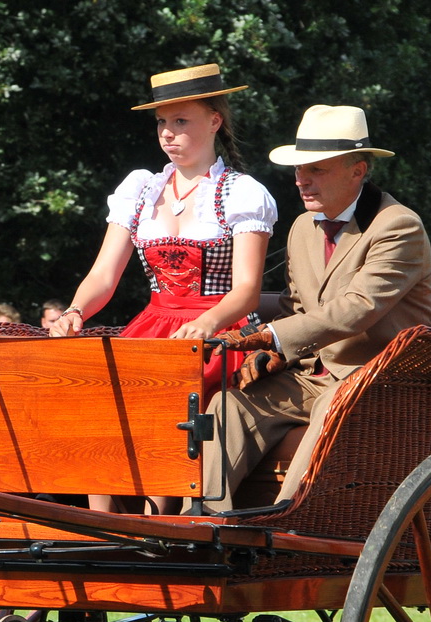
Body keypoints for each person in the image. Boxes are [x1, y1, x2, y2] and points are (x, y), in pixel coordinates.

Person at [206, 104, 431, 510]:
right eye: (298, 169)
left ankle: (289, 521)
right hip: (313, 376)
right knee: (228, 404)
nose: (301, 180)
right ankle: (206, 522)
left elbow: (358, 307)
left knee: (335, 404)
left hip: (378, 377)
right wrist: (272, 352)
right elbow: (297, 305)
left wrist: (275, 336)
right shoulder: (301, 227)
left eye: (317, 169)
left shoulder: (399, 226)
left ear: (358, 170)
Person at [48, 64, 277, 386]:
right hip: (154, 327)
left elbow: (246, 291)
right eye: (161, 122)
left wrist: (207, 323)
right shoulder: (140, 189)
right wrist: (75, 311)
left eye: (180, 121)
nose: (167, 132)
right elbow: (103, 275)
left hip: (222, 332)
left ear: (215, 121)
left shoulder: (242, 192)